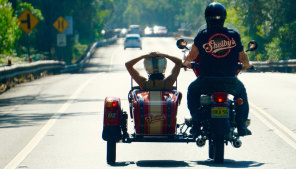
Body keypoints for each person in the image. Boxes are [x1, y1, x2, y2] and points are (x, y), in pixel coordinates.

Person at [183, 2, 252, 136]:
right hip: (229, 81)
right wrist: (247, 65)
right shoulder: (233, 35)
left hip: (206, 80)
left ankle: (196, 125)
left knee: (192, 91)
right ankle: (241, 125)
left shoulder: (202, 35)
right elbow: (243, 57)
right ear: (224, 17)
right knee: (241, 93)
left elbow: (192, 56)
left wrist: (186, 63)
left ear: (206, 17)